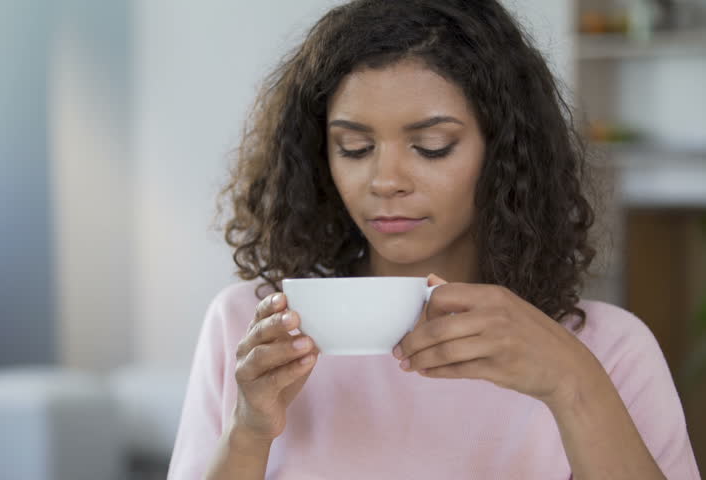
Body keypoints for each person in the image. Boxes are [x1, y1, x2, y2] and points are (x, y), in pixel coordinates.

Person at [168, 1, 701, 478]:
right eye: (354, 148)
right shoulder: (254, 328)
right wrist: (248, 431)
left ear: (504, 154)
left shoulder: (608, 348)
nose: (385, 181)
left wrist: (572, 384)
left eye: (432, 146)